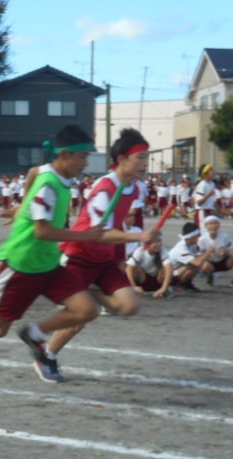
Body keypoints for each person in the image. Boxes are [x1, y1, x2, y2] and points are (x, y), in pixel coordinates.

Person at [0, 125, 104, 395]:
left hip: (49, 263)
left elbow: (33, 172)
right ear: (65, 155)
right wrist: (84, 235)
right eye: (82, 157)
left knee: (86, 310)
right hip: (22, 265)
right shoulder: (48, 185)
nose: (86, 163)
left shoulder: (53, 175)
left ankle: (35, 333)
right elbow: (41, 230)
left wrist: (21, 206)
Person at [40, 128, 160, 382]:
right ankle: (47, 357)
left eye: (147, 158)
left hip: (104, 259)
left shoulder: (134, 188)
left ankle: (90, 293)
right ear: (122, 159)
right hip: (80, 255)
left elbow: (118, 224)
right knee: (78, 319)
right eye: (140, 157)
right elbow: (100, 233)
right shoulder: (105, 187)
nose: (145, 163)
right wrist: (139, 237)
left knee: (129, 306)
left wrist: (119, 258)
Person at [197, 215, 233, 288]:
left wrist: (226, 252)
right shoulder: (202, 239)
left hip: (224, 262)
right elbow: (199, 257)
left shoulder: (225, 236)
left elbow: (231, 251)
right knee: (204, 265)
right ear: (206, 226)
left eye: (215, 223)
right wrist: (208, 253)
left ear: (219, 225)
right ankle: (209, 275)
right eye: (210, 224)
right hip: (210, 264)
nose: (213, 226)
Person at [168, 222, 215, 292]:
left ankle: (187, 283)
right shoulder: (181, 248)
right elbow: (197, 263)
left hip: (177, 270)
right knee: (194, 265)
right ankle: (178, 285)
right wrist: (208, 252)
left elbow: (200, 255)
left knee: (203, 264)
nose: (199, 237)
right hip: (167, 274)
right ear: (192, 237)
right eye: (198, 236)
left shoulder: (192, 244)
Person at [193, 164, 218, 230]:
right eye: (211, 171)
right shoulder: (202, 185)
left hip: (209, 211)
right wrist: (208, 195)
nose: (213, 172)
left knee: (209, 232)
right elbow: (199, 203)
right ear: (206, 174)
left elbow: (211, 200)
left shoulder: (212, 184)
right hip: (202, 212)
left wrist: (217, 208)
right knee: (202, 233)